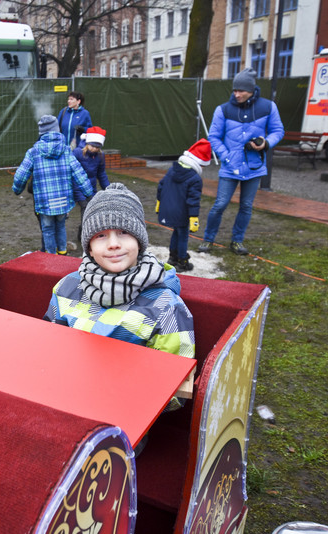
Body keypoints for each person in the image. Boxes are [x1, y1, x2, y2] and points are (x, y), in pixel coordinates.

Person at [44, 183, 195, 414]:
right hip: (64, 401)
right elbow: (49, 348)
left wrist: (114, 393)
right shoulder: (67, 288)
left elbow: (174, 392)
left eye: (124, 232)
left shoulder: (166, 306)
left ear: (140, 241)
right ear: (90, 248)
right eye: (101, 235)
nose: (114, 243)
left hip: (124, 416)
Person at [198, 68, 284, 256]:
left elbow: (278, 130)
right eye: (234, 90)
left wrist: (267, 143)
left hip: (254, 167)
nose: (236, 94)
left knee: (246, 206)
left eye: (241, 91)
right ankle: (208, 239)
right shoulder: (223, 109)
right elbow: (214, 136)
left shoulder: (269, 107)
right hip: (230, 167)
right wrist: (226, 156)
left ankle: (237, 241)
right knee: (220, 204)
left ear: (252, 90)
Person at [13, 115, 93, 255]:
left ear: (41, 132)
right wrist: (88, 193)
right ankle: (62, 252)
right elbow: (79, 172)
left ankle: (51, 255)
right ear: (57, 130)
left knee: (48, 229)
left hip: (44, 202)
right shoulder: (66, 150)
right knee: (61, 226)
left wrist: (17, 189)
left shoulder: (33, 152)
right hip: (63, 201)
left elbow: (21, 175)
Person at [156, 139, 210, 272]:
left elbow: (161, 186)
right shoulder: (195, 178)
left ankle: (172, 258)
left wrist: (159, 202)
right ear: (198, 163)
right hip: (182, 213)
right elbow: (193, 200)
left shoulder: (172, 170)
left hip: (169, 209)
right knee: (183, 236)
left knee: (176, 232)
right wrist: (194, 218)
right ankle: (182, 261)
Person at [73, 126, 110, 246]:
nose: (94, 149)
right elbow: (73, 175)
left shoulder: (100, 155)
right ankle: (85, 236)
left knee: (93, 210)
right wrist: (78, 194)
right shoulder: (77, 153)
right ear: (87, 143)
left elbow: (101, 173)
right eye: (93, 146)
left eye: (97, 147)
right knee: (86, 209)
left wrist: (108, 189)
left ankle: (83, 232)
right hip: (78, 188)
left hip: (91, 188)